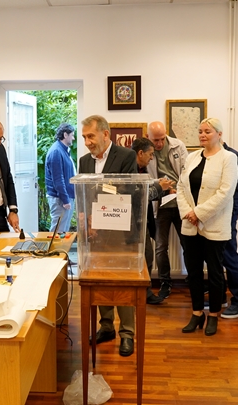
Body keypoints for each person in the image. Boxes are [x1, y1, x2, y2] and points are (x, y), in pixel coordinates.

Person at [79, 114, 138, 357]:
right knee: (100, 279)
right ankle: (106, 327)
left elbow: (126, 189)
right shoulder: (84, 161)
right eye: (84, 137)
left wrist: (99, 207)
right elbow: (83, 193)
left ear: (105, 134)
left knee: (122, 282)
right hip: (95, 233)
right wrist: (86, 217)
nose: (87, 142)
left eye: (91, 136)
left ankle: (127, 333)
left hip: (120, 231)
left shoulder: (126, 156)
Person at [177, 118, 238, 336]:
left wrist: (199, 213)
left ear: (219, 134)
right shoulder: (192, 157)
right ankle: (196, 313)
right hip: (190, 225)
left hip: (214, 225)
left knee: (214, 273)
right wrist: (188, 212)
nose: (202, 135)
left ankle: (213, 315)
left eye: (208, 131)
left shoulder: (229, 158)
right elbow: (181, 187)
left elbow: (226, 192)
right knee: (193, 272)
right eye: (200, 131)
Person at [146, 121, 188, 300]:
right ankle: (165, 282)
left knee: (188, 244)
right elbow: (146, 179)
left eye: (162, 139)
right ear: (148, 137)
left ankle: (194, 279)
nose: (159, 143)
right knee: (160, 246)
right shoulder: (145, 151)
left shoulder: (178, 146)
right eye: (155, 140)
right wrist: (162, 189)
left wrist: (178, 190)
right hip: (160, 205)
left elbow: (187, 172)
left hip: (180, 203)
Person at [132, 137, 175, 305]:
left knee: (148, 257)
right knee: (145, 257)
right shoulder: (130, 170)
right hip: (133, 223)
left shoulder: (142, 170)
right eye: (150, 154)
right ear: (140, 153)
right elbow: (139, 196)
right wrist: (159, 187)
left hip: (143, 222)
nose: (152, 158)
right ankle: (142, 293)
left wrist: (165, 191)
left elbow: (148, 193)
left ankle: (144, 292)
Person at [219, 142, 238, 319]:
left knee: (229, 256)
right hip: (213, 215)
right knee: (216, 257)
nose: (203, 136)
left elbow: (237, 192)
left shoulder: (236, 157)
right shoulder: (210, 157)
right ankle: (219, 297)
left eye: (207, 132)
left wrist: (230, 217)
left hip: (228, 215)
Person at [45, 123, 76, 232]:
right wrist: (65, 199)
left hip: (65, 197)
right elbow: (58, 179)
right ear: (65, 135)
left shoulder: (63, 150)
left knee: (63, 232)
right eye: (72, 135)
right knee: (58, 232)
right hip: (60, 199)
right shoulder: (56, 152)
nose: (73, 138)